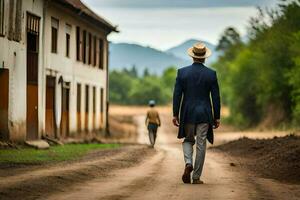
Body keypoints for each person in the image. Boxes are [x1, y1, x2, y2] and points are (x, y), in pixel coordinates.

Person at [172, 42, 221, 184]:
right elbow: (216, 97)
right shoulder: (211, 74)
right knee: (201, 144)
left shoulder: (182, 73)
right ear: (204, 58)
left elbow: (177, 95)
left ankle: (188, 163)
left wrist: (175, 114)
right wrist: (216, 117)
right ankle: (196, 177)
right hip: (205, 114)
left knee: (188, 140)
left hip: (187, 113)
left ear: (192, 56)